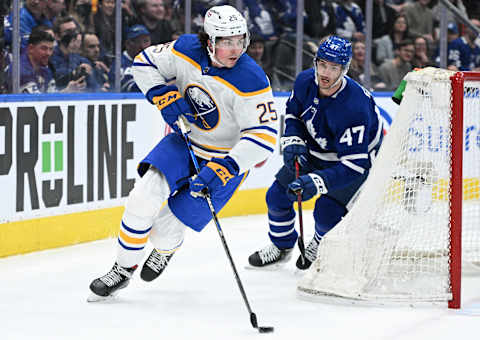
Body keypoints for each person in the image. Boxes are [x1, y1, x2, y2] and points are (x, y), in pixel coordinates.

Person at [88, 5, 277, 300]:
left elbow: (263, 137)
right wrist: (161, 94)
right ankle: (122, 270)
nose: (235, 49)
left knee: (164, 229)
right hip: (185, 140)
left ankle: (166, 248)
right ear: (209, 41)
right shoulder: (187, 47)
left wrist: (228, 165)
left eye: (240, 40)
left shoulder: (252, 79)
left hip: (223, 162)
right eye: (227, 42)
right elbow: (144, 62)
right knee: (143, 196)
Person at [247, 36, 383, 270]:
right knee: (277, 197)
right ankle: (281, 246)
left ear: (344, 70)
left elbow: (354, 165)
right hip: (316, 151)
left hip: (350, 162)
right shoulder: (305, 82)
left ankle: (320, 244)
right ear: (315, 63)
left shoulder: (354, 107)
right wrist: (293, 139)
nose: (325, 73)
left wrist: (318, 181)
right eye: (322, 65)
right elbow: (292, 113)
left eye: (334, 67)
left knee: (326, 212)